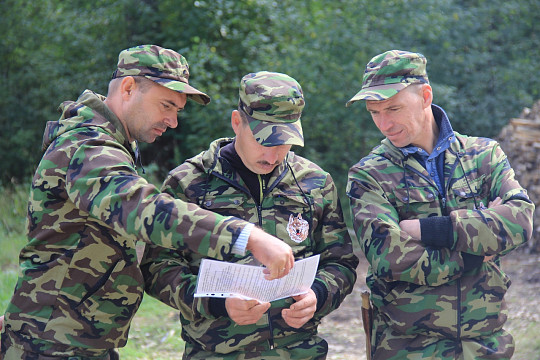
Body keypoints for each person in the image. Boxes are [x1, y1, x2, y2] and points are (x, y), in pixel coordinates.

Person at [0, 45, 295, 360]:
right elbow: (142, 208)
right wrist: (245, 236)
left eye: (177, 110)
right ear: (128, 88)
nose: (173, 121)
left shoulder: (111, 144)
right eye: (166, 105)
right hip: (51, 345)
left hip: (73, 341)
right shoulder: (87, 147)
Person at [141, 71, 359, 360]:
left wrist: (318, 295)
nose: (273, 155)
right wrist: (217, 304)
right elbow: (157, 268)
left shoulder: (315, 183)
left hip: (299, 353)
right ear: (236, 122)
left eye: (284, 143)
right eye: (263, 141)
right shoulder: (189, 183)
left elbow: (340, 262)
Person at [345, 50, 535, 360]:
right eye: (374, 112)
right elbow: (390, 257)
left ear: (425, 96)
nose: (384, 123)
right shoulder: (369, 175)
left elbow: (521, 220)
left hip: (485, 345)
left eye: (393, 108)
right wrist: (477, 251)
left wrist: (430, 230)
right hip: (408, 349)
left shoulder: (484, 155)